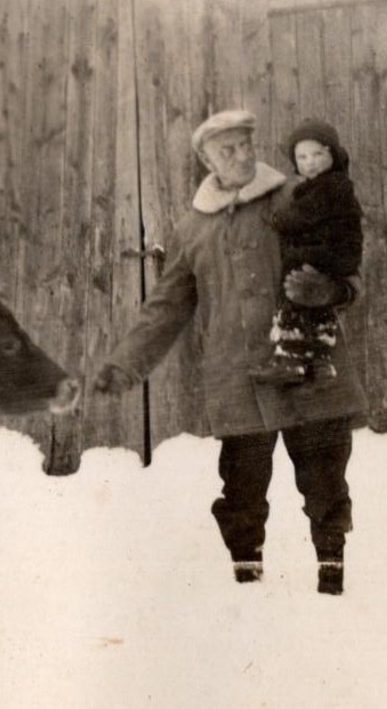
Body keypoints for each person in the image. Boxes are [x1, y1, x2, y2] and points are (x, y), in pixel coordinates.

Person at [91, 109, 366, 595]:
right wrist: (123, 364)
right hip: (238, 379)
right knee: (241, 490)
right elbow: (166, 307)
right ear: (205, 160)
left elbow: (350, 261)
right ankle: (247, 591)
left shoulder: (298, 195)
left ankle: (332, 584)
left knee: (325, 483)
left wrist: (330, 291)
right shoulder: (193, 228)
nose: (240, 156)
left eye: (245, 145)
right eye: (226, 150)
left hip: (307, 364)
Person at [249, 119, 363, 386]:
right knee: (312, 307)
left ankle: (291, 357)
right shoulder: (322, 186)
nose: (309, 162)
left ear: (332, 154)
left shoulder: (327, 186)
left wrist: (338, 291)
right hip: (332, 254)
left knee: (296, 286)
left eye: (317, 155)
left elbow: (301, 215)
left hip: (326, 253)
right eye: (302, 157)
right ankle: (320, 361)